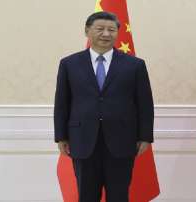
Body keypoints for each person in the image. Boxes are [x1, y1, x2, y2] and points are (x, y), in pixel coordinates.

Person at [54, 11, 154, 202]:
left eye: (112, 30)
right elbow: (62, 103)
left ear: (118, 33)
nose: (106, 34)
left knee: (119, 195)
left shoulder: (134, 65)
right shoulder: (69, 64)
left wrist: (145, 136)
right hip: (82, 140)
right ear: (87, 31)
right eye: (100, 29)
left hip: (122, 140)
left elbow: (145, 104)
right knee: (86, 195)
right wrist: (61, 136)